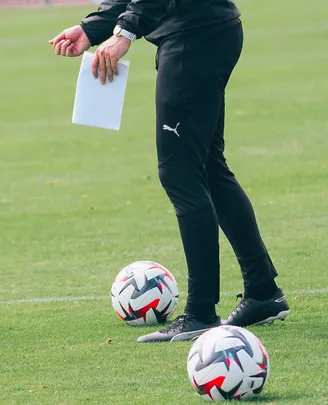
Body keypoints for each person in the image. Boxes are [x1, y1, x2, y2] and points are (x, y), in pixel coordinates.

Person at [49, 0, 290, 343]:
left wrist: (124, 32)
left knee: (181, 174)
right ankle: (263, 291)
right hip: (206, 30)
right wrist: (93, 28)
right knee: (208, 167)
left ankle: (202, 312)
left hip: (192, 37)